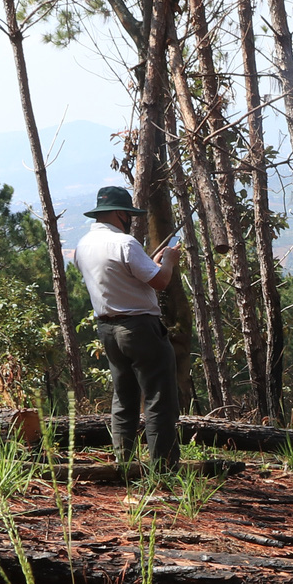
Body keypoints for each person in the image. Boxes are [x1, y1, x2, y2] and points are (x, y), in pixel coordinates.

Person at [72, 185, 185, 469]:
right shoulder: (125, 243)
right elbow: (160, 282)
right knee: (159, 397)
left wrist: (151, 264)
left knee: (124, 397)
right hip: (141, 328)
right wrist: (168, 262)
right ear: (120, 213)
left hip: (108, 330)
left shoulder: (82, 246)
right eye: (129, 214)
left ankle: (123, 464)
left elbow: (116, 277)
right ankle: (163, 469)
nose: (132, 219)